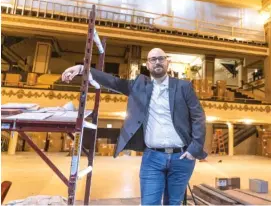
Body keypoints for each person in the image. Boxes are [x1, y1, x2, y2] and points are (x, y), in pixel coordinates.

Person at [61, 48, 207, 205]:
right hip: (153, 158)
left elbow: (198, 116)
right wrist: (82, 69)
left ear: (167, 62)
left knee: (174, 203)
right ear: (148, 64)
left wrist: (194, 149)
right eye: (153, 59)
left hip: (181, 157)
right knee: (149, 203)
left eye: (161, 58)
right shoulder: (139, 85)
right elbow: (113, 82)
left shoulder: (183, 87)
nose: (157, 61)